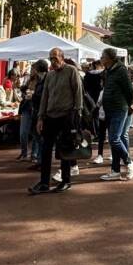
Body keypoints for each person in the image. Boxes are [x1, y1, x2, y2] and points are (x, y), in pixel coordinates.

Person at [29, 49, 83, 195]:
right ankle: (44, 182)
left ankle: (66, 181)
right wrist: (40, 117)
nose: (53, 61)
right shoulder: (50, 75)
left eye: (55, 58)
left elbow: (78, 93)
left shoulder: (71, 71)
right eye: (50, 59)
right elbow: (44, 97)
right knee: (46, 149)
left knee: (64, 149)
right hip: (50, 116)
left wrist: (77, 114)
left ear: (62, 58)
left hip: (66, 116)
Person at [99, 48, 133, 182]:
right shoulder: (108, 71)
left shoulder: (121, 71)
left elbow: (130, 91)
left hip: (119, 108)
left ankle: (129, 162)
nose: (101, 58)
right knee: (115, 140)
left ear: (110, 58)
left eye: (103, 56)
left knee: (114, 138)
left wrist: (129, 105)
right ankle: (115, 170)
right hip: (109, 109)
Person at [83, 60, 106, 164]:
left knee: (95, 118)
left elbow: (85, 87)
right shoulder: (104, 73)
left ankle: (100, 154)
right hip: (103, 103)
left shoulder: (88, 75)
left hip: (92, 98)